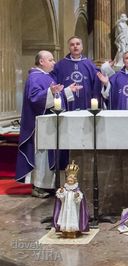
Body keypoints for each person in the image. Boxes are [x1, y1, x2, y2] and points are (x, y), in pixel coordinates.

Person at [15, 51, 81, 198]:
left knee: (50, 155)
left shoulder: (47, 76)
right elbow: (35, 99)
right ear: (41, 62)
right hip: (40, 126)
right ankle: (38, 186)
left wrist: (68, 90)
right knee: (42, 156)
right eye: (50, 60)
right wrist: (50, 92)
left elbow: (55, 97)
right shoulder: (34, 77)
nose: (54, 62)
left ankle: (49, 185)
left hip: (50, 123)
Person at [52, 36, 102, 111]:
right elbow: (54, 84)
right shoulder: (60, 65)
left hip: (86, 102)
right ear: (69, 48)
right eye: (72, 45)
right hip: (67, 103)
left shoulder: (90, 65)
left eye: (78, 44)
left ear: (82, 47)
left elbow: (96, 85)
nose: (75, 46)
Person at [53, 160, 89, 237]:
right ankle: (65, 230)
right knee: (65, 217)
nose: (70, 181)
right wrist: (62, 192)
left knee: (73, 218)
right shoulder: (66, 188)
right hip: (65, 208)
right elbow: (61, 197)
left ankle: (73, 231)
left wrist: (77, 196)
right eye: (69, 180)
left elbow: (79, 198)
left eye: (71, 180)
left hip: (73, 209)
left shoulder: (76, 189)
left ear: (74, 180)